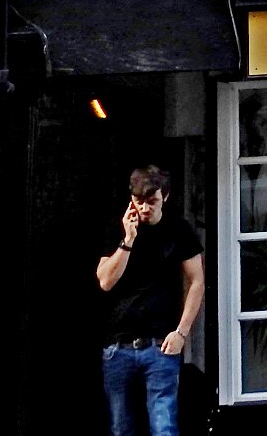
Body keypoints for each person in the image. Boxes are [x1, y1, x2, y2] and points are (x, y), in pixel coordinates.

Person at [96, 164, 205, 436]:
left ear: (164, 196)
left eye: (152, 201)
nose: (145, 208)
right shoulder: (118, 227)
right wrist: (128, 240)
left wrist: (182, 332)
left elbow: (197, 281)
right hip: (118, 344)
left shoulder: (178, 228)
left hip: (160, 343)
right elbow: (105, 281)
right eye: (138, 201)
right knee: (120, 427)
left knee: (163, 425)